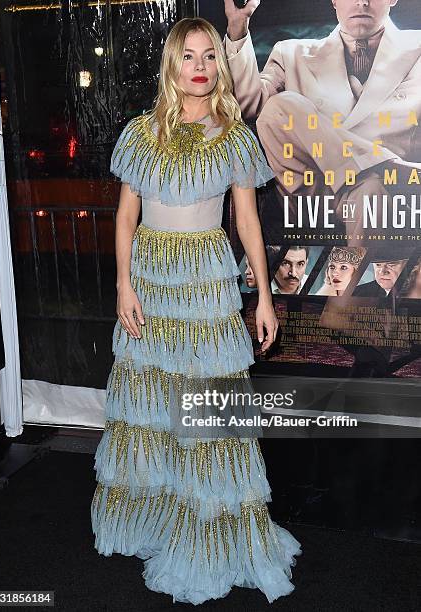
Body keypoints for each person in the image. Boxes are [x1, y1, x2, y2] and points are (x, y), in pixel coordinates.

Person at [90, 17, 301, 605]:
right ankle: (155, 521)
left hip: (207, 289)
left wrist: (262, 292)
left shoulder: (233, 135)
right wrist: (122, 285)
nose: (201, 65)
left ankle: (211, 535)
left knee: (209, 415)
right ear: (172, 65)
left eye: (210, 55)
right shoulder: (141, 133)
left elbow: (248, 221)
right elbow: (126, 217)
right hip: (152, 287)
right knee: (152, 407)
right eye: (189, 55)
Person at [223, 0, 421, 244]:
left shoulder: (418, 48)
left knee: (370, 192)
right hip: (313, 196)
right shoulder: (290, 53)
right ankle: (384, 166)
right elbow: (246, 108)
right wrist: (238, 25)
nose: (362, 2)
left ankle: (347, 283)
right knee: (278, 107)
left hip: (389, 198)